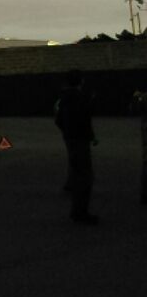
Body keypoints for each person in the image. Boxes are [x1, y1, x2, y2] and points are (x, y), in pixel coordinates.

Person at [55, 70, 98, 224]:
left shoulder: (64, 98)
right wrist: (90, 136)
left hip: (71, 138)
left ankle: (78, 210)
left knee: (77, 172)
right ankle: (80, 212)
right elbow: (85, 119)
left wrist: (67, 132)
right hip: (80, 139)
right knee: (85, 177)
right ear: (81, 81)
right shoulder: (80, 98)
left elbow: (59, 120)